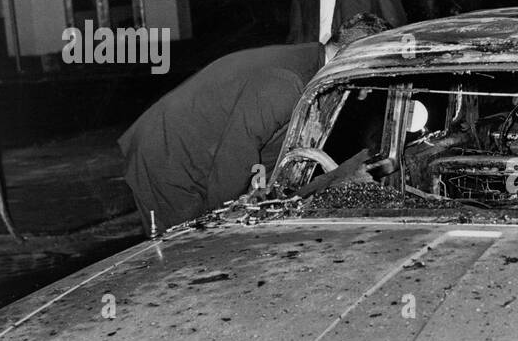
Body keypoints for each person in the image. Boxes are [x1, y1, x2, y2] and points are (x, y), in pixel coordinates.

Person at [119, 20, 361, 232]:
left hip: (201, 154)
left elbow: (267, 149)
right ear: (351, 55)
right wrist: (220, 221)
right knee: (187, 251)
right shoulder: (287, 83)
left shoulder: (311, 65)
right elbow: (234, 156)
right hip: (170, 156)